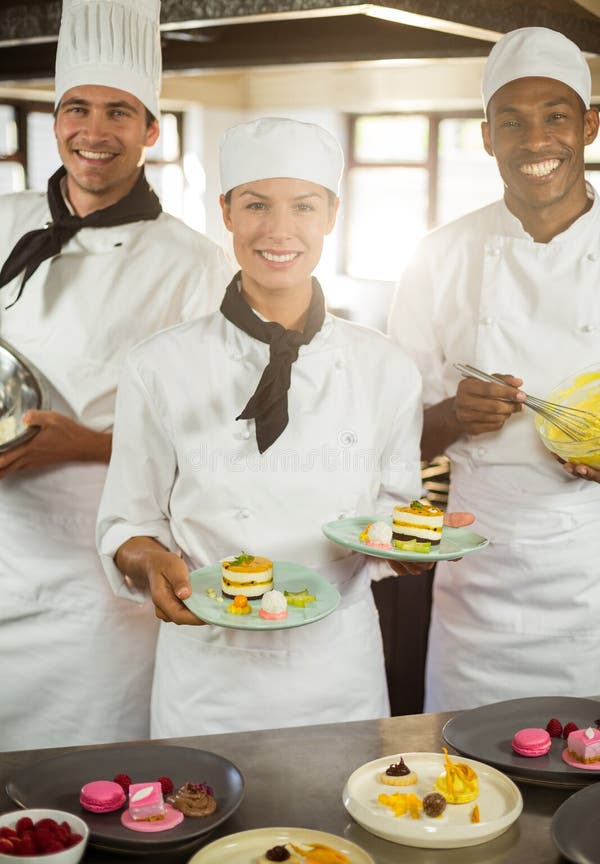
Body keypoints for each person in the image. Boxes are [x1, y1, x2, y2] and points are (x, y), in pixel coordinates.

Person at [97, 116, 471, 738]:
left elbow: (392, 510)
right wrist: (144, 558)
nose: (278, 230)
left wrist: (409, 546)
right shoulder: (159, 364)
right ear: (226, 212)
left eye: (303, 206)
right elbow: (127, 520)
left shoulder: (385, 367)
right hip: (207, 672)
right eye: (255, 205)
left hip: (338, 673)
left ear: (331, 213)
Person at [0, 0, 232, 751]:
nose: (93, 133)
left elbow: (216, 432)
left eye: (119, 113)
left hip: (100, 571)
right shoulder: (5, 220)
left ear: (150, 131)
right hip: (4, 545)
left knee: (85, 773)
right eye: (77, 109)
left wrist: (82, 445)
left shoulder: (195, 264)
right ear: (57, 116)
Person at [388, 26, 600, 712]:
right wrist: (451, 416)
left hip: (593, 583)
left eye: (556, 117)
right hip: (479, 580)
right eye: (512, 122)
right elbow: (391, 439)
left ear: (591, 125)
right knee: (463, 775)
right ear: (487, 138)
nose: (536, 141)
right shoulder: (437, 257)